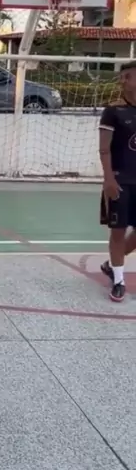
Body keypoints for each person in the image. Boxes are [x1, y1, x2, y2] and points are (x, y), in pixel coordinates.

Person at [99, 60, 136, 301]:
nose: (123, 80)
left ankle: (112, 264)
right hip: (120, 181)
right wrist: (109, 179)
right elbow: (104, 150)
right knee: (118, 231)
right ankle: (119, 280)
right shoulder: (113, 111)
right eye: (122, 77)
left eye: (129, 76)